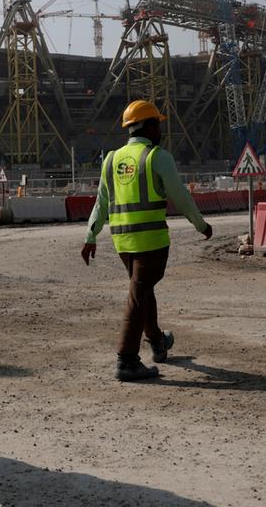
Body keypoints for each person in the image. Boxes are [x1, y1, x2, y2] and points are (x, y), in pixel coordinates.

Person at [81, 100, 212, 381]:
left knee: (142, 291)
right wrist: (201, 225)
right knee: (137, 297)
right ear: (149, 126)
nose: (160, 129)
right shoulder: (157, 156)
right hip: (151, 242)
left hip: (123, 244)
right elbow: (181, 197)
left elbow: (101, 203)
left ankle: (157, 342)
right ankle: (126, 361)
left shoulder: (112, 159)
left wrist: (90, 236)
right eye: (158, 124)